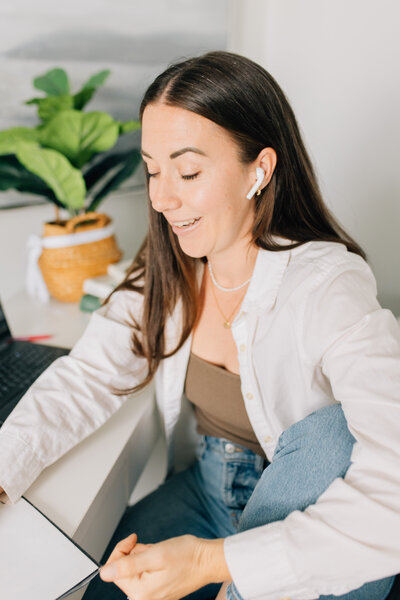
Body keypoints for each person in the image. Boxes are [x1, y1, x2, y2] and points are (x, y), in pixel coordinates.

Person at [0, 50, 399, 600]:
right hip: (209, 491)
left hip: (307, 514)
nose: (162, 198)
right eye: (153, 170)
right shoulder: (170, 269)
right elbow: (86, 377)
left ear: (259, 169)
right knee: (86, 589)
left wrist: (219, 564)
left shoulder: (328, 286)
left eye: (188, 171)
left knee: (332, 434)